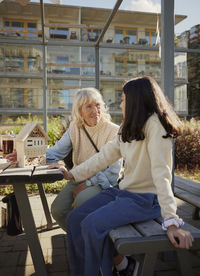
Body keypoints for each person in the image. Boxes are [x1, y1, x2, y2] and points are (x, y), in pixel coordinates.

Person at [49, 76, 194, 276]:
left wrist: (171, 221)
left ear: (135, 100)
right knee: (75, 219)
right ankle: (96, 270)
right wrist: (71, 174)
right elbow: (102, 158)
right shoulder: (130, 127)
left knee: (92, 225)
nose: (120, 103)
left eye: (124, 99)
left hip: (146, 199)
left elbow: (163, 175)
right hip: (124, 192)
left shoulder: (157, 127)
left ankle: (109, 269)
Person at [6, 87, 122, 231]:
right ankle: (80, 239)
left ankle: (90, 242)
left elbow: (114, 172)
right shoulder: (75, 128)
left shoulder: (113, 131)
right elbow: (55, 152)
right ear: (80, 111)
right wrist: (24, 156)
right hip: (78, 177)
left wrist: (88, 183)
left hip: (102, 181)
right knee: (58, 210)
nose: (95, 110)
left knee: (81, 202)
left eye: (97, 105)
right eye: (89, 106)